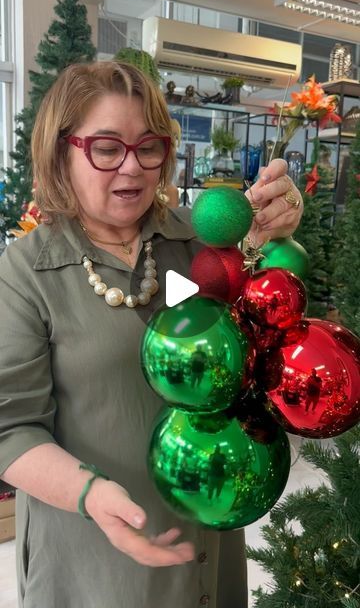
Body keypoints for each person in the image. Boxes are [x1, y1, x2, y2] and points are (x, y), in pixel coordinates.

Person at [0, 61, 303, 608]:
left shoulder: (196, 243)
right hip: (94, 553)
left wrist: (265, 239)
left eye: (149, 147)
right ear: (62, 152)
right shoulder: (27, 271)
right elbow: (10, 429)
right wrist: (91, 495)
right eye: (108, 148)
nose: (133, 168)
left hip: (206, 533)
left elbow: (256, 355)